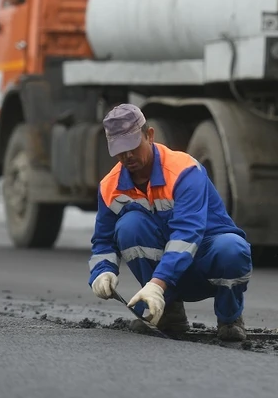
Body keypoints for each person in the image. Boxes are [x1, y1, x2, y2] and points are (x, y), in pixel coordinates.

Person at [87, 103, 252, 341]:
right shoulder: (109, 187)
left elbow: (187, 235)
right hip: (168, 278)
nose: (128, 156)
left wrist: (157, 285)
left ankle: (229, 318)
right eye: (120, 150)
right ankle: (168, 313)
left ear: (150, 135)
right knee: (129, 226)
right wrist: (102, 272)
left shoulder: (184, 170)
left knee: (232, 248)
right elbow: (102, 241)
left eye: (133, 146)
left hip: (204, 263)